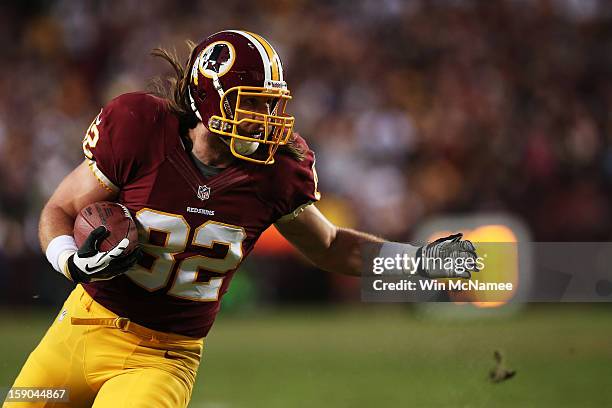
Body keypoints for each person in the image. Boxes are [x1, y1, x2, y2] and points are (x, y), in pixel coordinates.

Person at [5, 30, 478, 407]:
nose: (266, 116)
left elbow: (331, 246)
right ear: (209, 101)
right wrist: (71, 261)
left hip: (163, 356)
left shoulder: (275, 172)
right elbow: (60, 209)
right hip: (83, 324)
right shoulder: (139, 128)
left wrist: (414, 264)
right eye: (251, 102)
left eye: (271, 103)